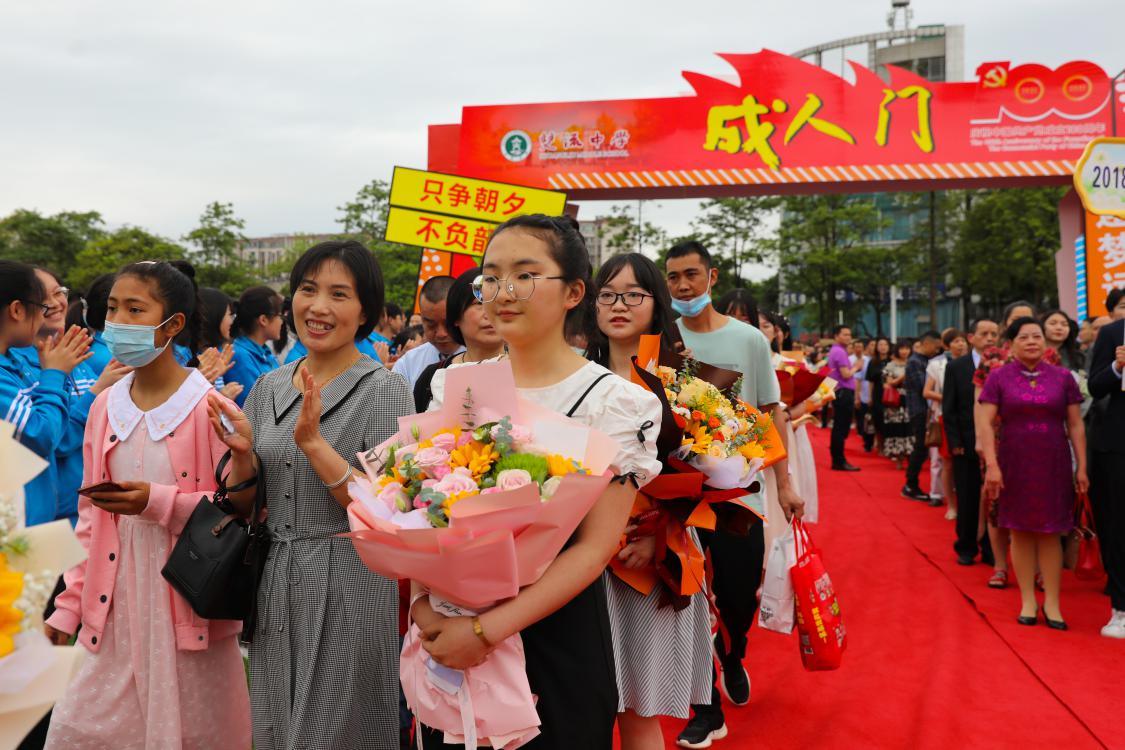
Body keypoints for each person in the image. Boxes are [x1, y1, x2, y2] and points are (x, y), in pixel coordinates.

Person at [411, 216, 662, 750]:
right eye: (491, 278)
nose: (503, 293)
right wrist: (422, 606)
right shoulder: (456, 386)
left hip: (557, 640)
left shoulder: (615, 403)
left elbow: (594, 548)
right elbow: (417, 511)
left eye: (525, 276)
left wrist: (484, 632)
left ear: (574, 292)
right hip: (450, 635)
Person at [210, 240, 413, 749]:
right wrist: (241, 455)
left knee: (333, 733)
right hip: (275, 579)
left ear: (364, 310)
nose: (318, 307)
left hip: (350, 581)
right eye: (308, 289)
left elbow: (385, 509)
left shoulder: (384, 389)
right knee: (276, 729)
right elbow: (243, 505)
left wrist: (315, 446)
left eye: (338, 294)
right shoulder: (268, 387)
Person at [43, 260, 251, 748]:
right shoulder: (105, 406)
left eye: (135, 309)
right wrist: (69, 608)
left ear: (172, 324)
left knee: (188, 732)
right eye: (113, 308)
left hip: (186, 607)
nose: (118, 321)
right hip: (113, 605)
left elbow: (241, 509)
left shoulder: (210, 408)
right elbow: (91, 520)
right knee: (79, 728)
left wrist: (158, 503)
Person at [663, 240, 802, 749]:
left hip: (740, 490)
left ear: (712, 276)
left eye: (691, 275)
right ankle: (706, 707)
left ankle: (734, 650)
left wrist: (784, 483)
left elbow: (770, 412)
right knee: (686, 597)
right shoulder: (661, 338)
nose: (683, 286)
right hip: (678, 491)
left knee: (740, 591)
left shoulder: (748, 339)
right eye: (673, 277)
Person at [586, 253, 711, 749]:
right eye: (608, 294)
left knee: (638, 709)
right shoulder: (575, 379)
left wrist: (660, 535)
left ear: (656, 304)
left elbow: (713, 474)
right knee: (583, 705)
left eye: (633, 294)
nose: (619, 305)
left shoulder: (685, 384)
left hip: (650, 563)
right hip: (581, 563)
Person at [978, 317, 1086, 629]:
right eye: (1024, 337)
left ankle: (1052, 602)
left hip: (1054, 462)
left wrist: (1082, 466)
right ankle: (1027, 600)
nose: (1031, 342)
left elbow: (1075, 424)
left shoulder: (1063, 377)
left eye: (1036, 336)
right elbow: (985, 423)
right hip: (1014, 462)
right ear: (1011, 344)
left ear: (1045, 342)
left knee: (1051, 532)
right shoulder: (998, 377)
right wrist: (992, 465)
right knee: (1020, 531)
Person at [0, 262, 91, 526]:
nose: (44, 316)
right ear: (17, 310)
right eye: (41, 307)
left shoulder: (14, 362)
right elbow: (42, 435)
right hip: (17, 529)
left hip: (35, 523)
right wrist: (54, 374)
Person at [943, 319, 999, 566]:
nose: (990, 338)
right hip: (965, 442)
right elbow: (949, 408)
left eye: (994, 334)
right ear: (971, 337)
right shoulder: (956, 367)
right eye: (984, 333)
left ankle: (991, 549)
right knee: (967, 497)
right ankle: (966, 546)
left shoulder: (1004, 365)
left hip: (997, 442)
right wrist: (955, 441)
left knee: (994, 498)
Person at [412, 268, 505, 412]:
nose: (490, 312)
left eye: (499, 303)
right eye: (479, 303)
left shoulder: (529, 370)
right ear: (456, 315)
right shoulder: (432, 376)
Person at [1085, 311, 1125, 638]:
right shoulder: (1113, 333)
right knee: (1119, 526)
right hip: (1118, 445)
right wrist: (1117, 367)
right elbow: (1095, 386)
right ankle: (1121, 608)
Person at [923, 329, 967, 517]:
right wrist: (949, 398)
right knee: (946, 463)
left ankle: (966, 504)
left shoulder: (976, 362)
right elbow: (926, 392)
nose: (961, 344)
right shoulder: (937, 364)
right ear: (947, 346)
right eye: (956, 341)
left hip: (969, 417)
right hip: (945, 416)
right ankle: (950, 504)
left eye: (963, 340)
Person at [391, 276, 463, 389]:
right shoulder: (407, 364)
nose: (441, 334)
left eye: (448, 324)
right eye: (431, 325)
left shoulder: (485, 358)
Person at [226, 285, 284, 407]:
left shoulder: (265, 353)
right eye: (279, 315)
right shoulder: (240, 357)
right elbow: (260, 408)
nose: (282, 321)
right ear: (263, 320)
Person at [902, 331, 941, 503]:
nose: (937, 350)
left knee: (922, 448)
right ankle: (910, 485)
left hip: (925, 409)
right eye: (936, 346)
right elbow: (922, 387)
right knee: (920, 447)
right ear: (926, 343)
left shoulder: (926, 360)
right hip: (919, 409)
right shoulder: (915, 362)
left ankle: (911, 484)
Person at [826, 325, 860, 471]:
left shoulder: (836, 350)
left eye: (849, 334)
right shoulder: (839, 351)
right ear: (836, 336)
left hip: (840, 391)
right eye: (845, 334)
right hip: (843, 392)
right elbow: (846, 374)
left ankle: (838, 459)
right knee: (841, 428)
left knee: (840, 427)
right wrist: (857, 367)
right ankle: (839, 460)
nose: (848, 337)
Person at [881, 341, 913, 469]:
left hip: (911, 400)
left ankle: (910, 458)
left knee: (910, 429)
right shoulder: (891, 365)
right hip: (895, 401)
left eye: (907, 348)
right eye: (902, 349)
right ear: (897, 350)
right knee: (897, 429)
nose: (904, 351)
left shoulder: (913, 363)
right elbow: (890, 383)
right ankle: (899, 457)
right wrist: (904, 376)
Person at [855, 338, 875, 453]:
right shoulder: (864, 361)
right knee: (867, 420)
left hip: (880, 395)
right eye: (871, 345)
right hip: (865, 395)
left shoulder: (883, 361)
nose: (874, 347)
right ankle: (868, 443)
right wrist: (857, 397)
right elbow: (858, 380)